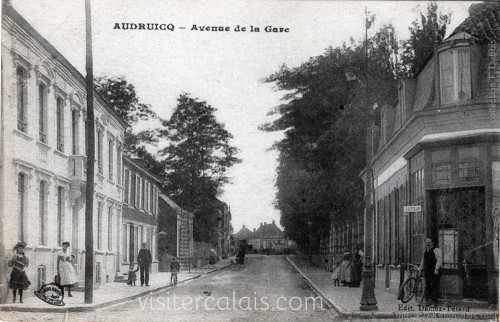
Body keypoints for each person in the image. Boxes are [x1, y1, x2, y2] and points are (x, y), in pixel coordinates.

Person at [418, 237, 443, 306]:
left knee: (434, 286)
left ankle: (435, 302)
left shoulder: (436, 250)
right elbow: (423, 261)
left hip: (434, 271)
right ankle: (430, 301)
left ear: (432, 243)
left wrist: (436, 269)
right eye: (426, 242)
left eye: (429, 242)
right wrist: (420, 269)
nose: (427, 244)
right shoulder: (425, 251)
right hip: (427, 271)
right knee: (428, 286)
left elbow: (439, 260)